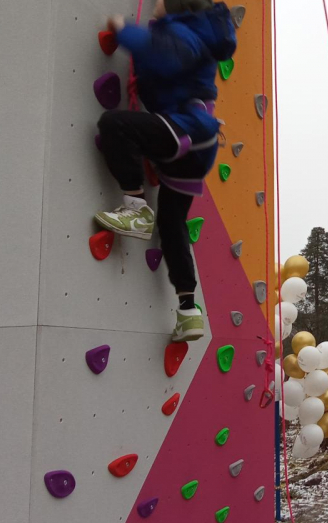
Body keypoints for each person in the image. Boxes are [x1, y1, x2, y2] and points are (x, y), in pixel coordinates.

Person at [96, 0, 236, 341]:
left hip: (187, 129)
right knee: (172, 225)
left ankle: (136, 209)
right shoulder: (195, 30)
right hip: (196, 144)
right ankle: (189, 310)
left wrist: (122, 27)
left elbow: (164, 58)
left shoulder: (184, 31)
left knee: (115, 125)